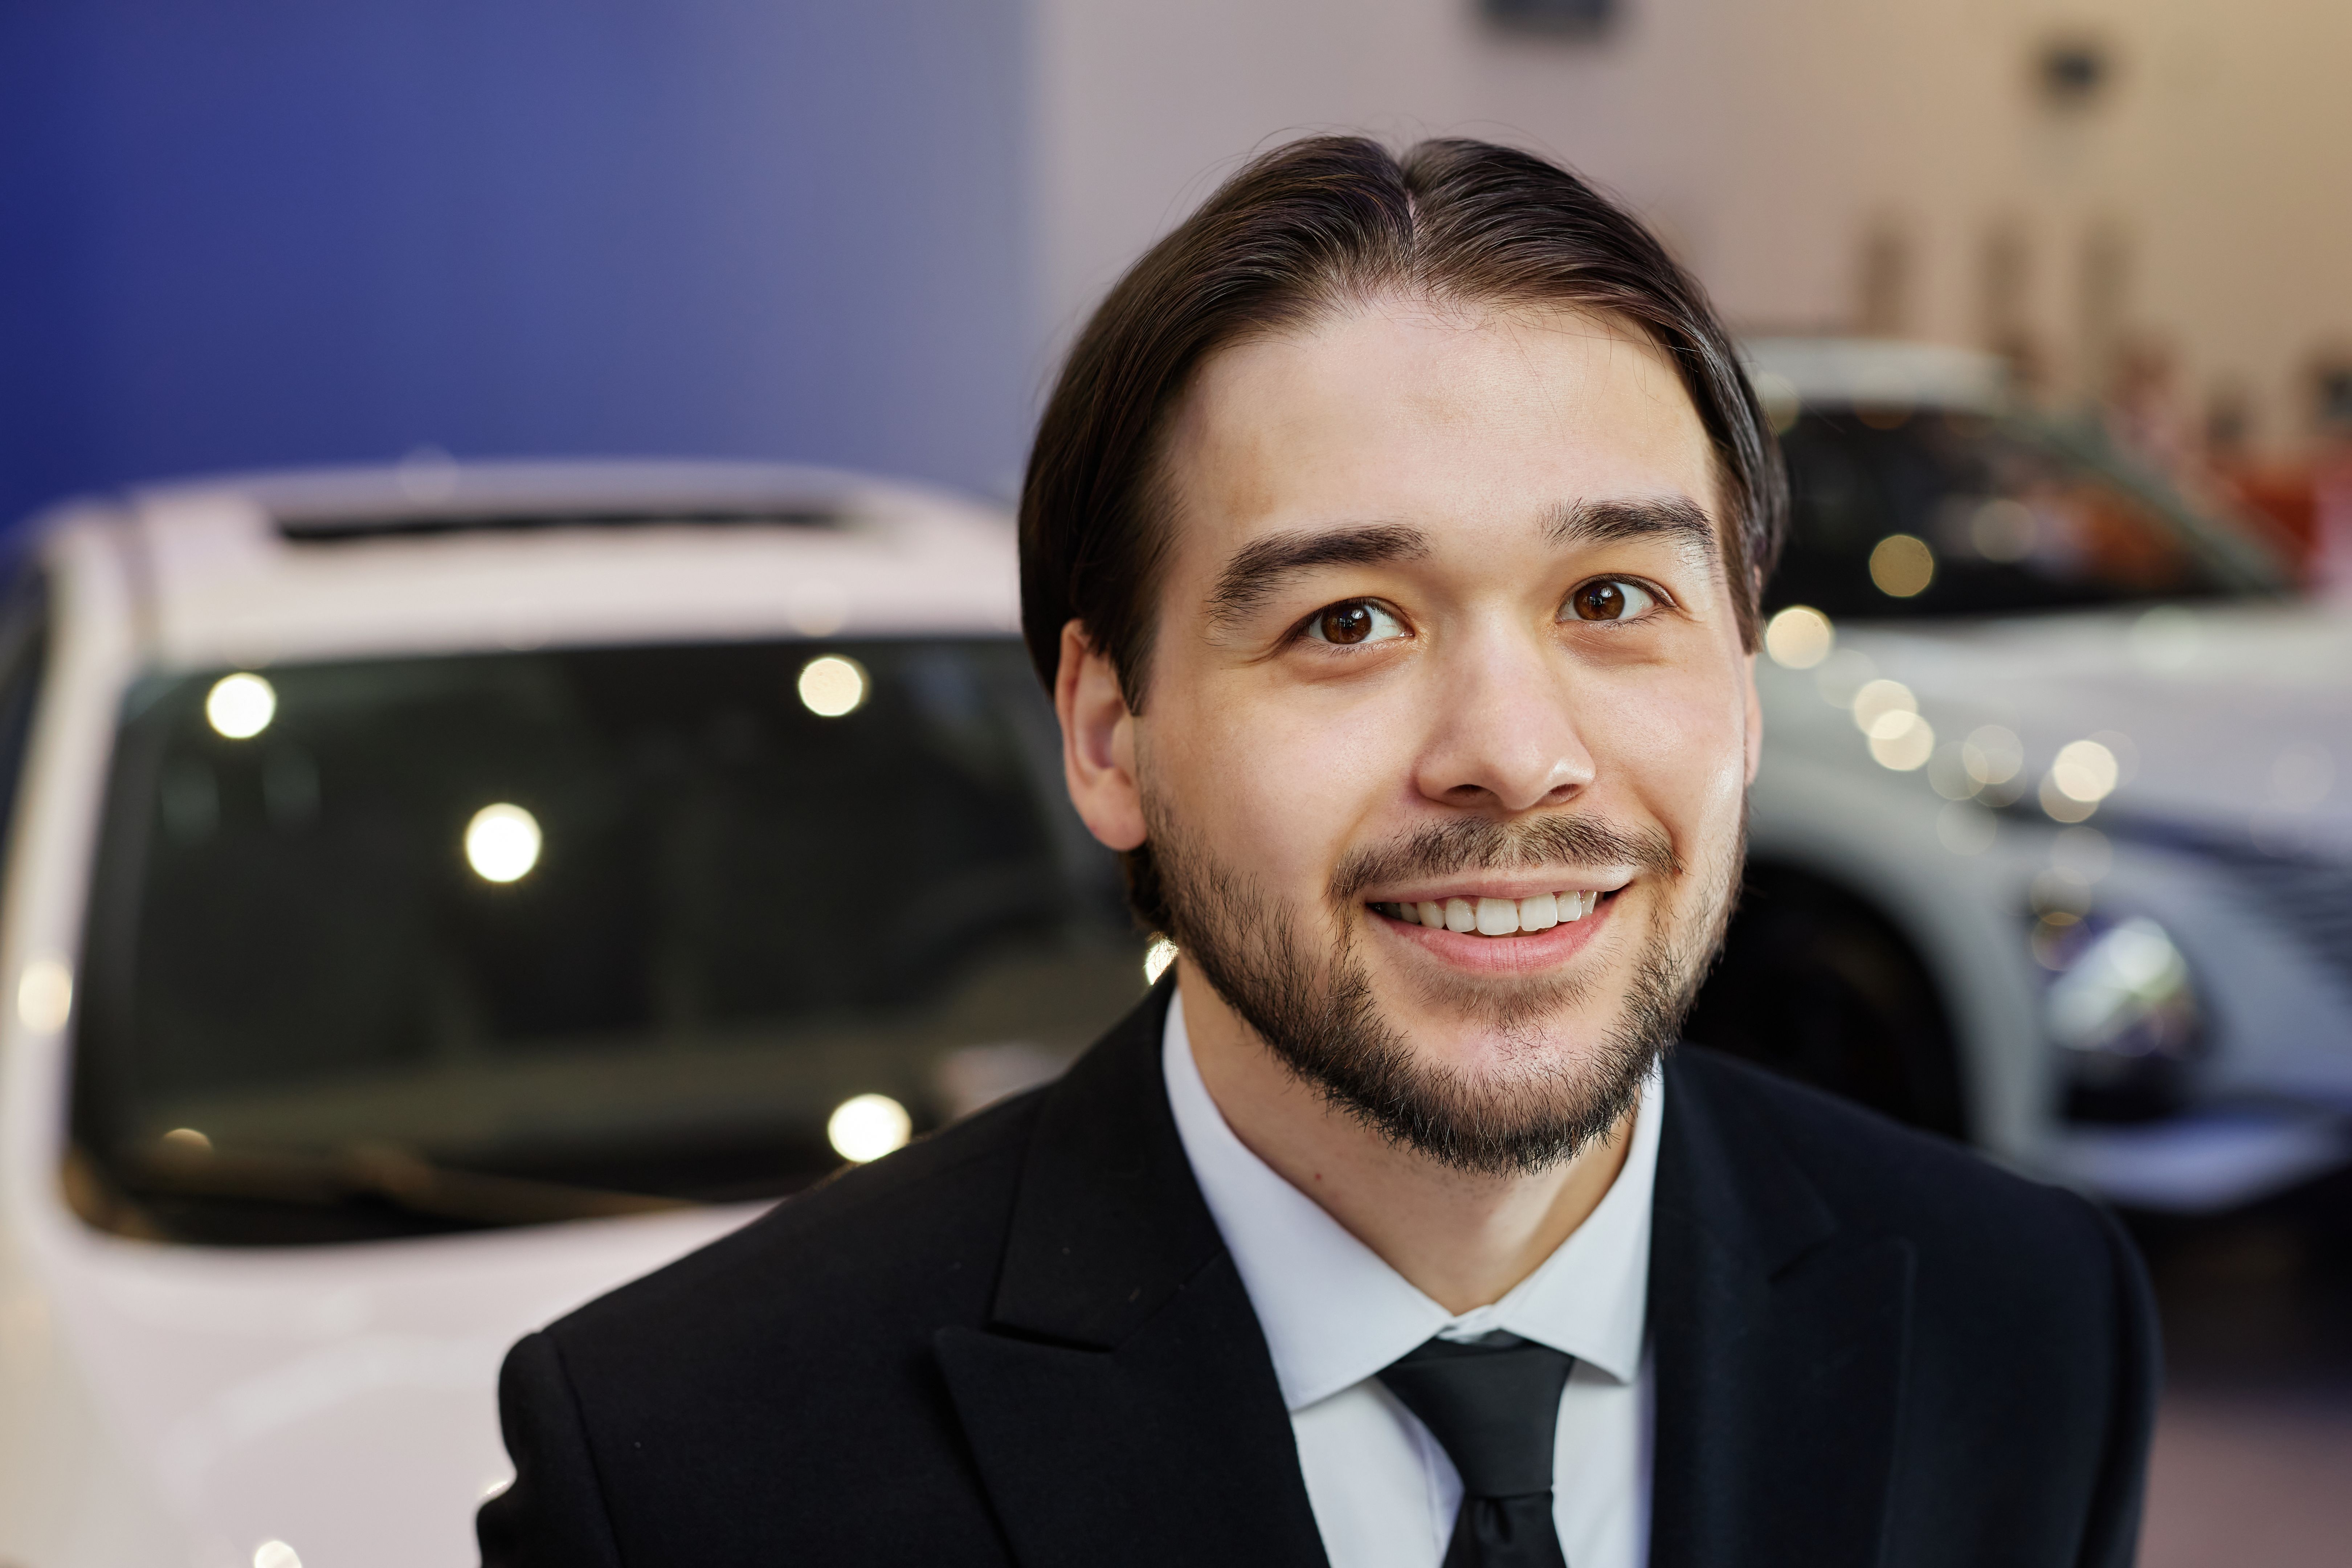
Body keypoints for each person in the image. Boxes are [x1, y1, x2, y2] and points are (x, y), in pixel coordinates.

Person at [478, 137, 2157, 1568]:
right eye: (1348, 621)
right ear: (1106, 732)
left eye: (1613, 600)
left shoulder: (2026, 1328)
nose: (1512, 752)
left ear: (1744, 669)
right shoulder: (689, 1468)